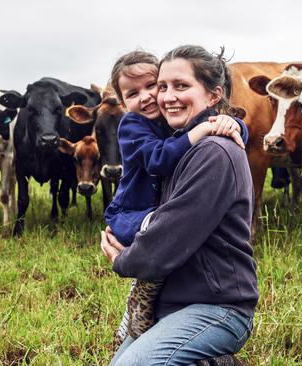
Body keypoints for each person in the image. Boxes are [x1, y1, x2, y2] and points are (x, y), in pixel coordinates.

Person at [101, 45, 258, 365]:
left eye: (181, 86)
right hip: (174, 300)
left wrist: (122, 259)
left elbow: (163, 244)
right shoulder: (178, 142)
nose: (165, 97)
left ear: (213, 96)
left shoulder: (214, 153)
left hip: (217, 305)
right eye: (164, 86)